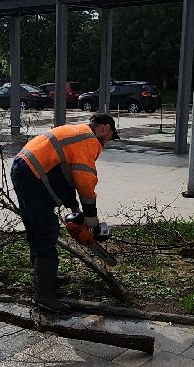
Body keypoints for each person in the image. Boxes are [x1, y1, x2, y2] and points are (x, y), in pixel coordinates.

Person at [10, 113, 118, 314]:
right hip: (32, 174)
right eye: (111, 136)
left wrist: (75, 208)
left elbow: (65, 174)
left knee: (36, 228)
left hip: (24, 168)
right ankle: (44, 295)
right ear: (105, 128)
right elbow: (85, 180)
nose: (107, 142)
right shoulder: (88, 140)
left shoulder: (76, 133)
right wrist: (90, 217)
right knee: (46, 230)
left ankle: (45, 278)